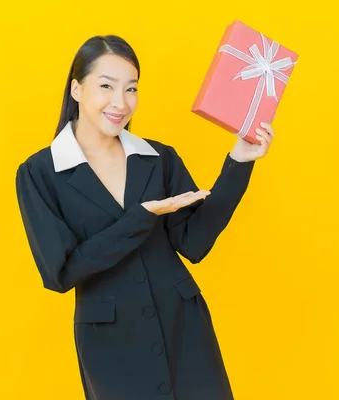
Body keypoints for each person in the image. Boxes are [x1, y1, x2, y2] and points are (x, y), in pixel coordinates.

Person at [15, 34, 274, 400]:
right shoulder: (40, 172)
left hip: (184, 328)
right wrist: (140, 218)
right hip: (112, 343)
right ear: (76, 89)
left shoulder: (159, 158)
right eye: (106, 86)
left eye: (131, 88)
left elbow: (193, 243)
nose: (120, 102)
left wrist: (239, 163)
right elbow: (61, 272)